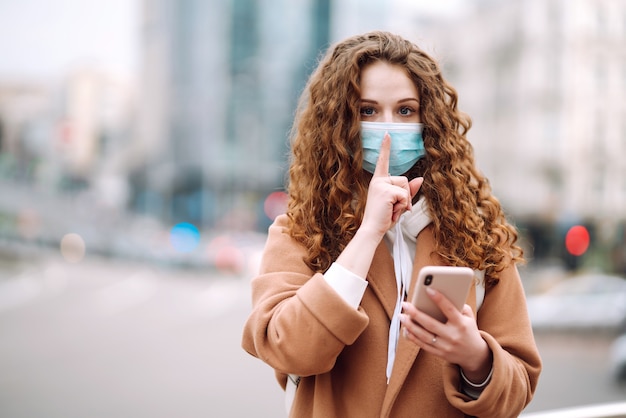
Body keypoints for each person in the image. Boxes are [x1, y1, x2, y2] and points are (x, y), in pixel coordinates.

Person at [241, 31, 541, 418]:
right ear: (339, 122)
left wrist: (476, 357)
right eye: (367, 110)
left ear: (428, 119)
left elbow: (519, 386)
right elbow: (289, 349)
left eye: (404, 110)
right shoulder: (299, 230)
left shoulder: (478, 234)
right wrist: (368, 232)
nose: (387, 127)